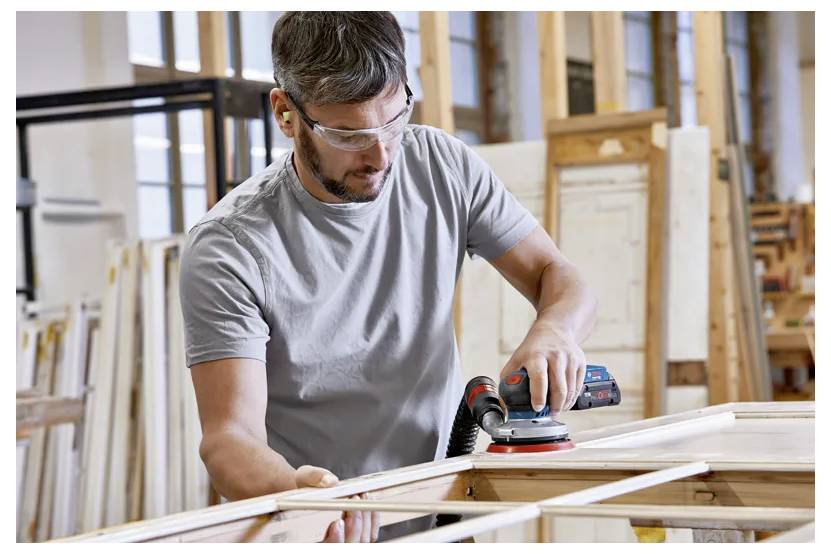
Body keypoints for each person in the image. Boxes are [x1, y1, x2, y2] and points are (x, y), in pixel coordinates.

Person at [179, 11, 597, 542]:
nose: (380, 155)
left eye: (394, 121)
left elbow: (557, 274)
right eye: (348, 135)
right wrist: (302, 494)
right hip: (320, 529)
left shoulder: (442, 166)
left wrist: (555, 332)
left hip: (441, 515)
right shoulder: (231, 246)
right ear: (286, 114)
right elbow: (228, 440)